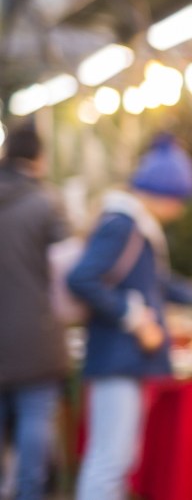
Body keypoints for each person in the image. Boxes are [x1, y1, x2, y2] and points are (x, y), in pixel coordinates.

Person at [68, 134, 192, 500]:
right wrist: (135, 318)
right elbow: (81, 277)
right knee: (109, 461)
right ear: (165, 192)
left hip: (123, 359)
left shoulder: (131, 223)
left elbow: (156, 283)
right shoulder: (123, 224)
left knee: (117, 459)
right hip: (117, 358)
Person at [0, 125, 69, 500]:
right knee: (34, 422)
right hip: (35, 336)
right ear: (39, 158)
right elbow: (66, 273)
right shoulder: (46, 203)